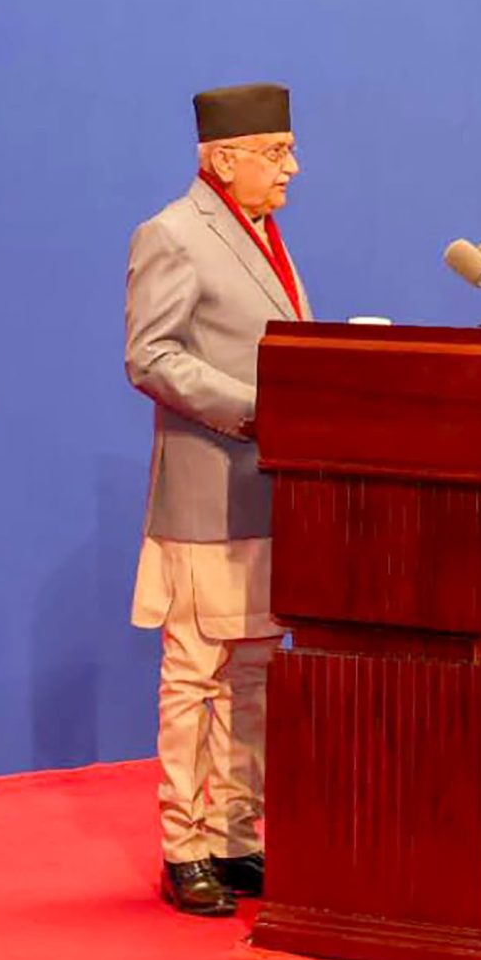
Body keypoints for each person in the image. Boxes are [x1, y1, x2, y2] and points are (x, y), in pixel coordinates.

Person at [124, 82, 308, 916]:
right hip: (205, 493)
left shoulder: (265, 236)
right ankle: (184, 845)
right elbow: (150, 354)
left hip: (268, 494)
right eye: (277, 152)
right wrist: (256, 407)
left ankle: (236, 836)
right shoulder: (172, 233)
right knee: (196, 674)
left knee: (253, 675)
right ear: (224, 159)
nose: (291, 168)